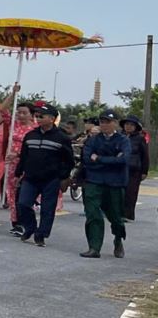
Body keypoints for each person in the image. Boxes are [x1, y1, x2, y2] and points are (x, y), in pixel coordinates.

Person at [14, 102, 75, 246]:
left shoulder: (62, 138)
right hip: (30, 178)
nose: (38, 118)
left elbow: (69, 161)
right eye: (37, 116)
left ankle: (41, 234)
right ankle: (30, 228)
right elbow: (24, 156)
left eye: (42, 116)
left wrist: (62, 176)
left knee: (47, 210)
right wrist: (18, 174)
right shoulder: (30, 135)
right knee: (22, 204)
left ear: (52, 118)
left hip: (51, 179)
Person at [80, 110, 130, 259]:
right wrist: (112, 159)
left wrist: (99, 159)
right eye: (102, 122)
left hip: (115, 183)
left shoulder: (123, 140)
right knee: (93, 213)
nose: (105, 125)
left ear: (115, 123)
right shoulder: (93, 140)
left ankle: (118, 239)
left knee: (116, 217)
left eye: (108, 121)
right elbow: (87, 159)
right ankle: (94, 247)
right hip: (94, 181)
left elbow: (123, 160)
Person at [123, 118, 149, 224]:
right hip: (120, 168)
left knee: (131, 192)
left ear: (135, 127)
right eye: (126, 124)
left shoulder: (140, 139)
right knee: (120, 191)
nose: (128, 126)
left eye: (131, 125)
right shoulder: (120, 137)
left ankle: (128, 215)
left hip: (134, 170)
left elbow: (145, 156)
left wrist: (144, 171)